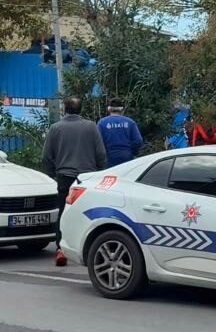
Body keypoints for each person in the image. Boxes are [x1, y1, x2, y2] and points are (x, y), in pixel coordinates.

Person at [42, 96, 107, 266]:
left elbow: (47, 156)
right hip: (87, 179)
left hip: (65, 177)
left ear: (64, 109)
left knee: (64, 213)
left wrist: (52, 174)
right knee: (90, 214)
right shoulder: (91, 127)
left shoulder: (55, 128)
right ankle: (90, 249)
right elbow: (101, 153)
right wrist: (101, 172)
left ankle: (61, 249)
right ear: (80, 109)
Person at [98, 98, 143, 166]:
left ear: (109, 109)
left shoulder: (102, 123)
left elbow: (98, 143)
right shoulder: (130, 122)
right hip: (127, 158)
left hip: (109, 159)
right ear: (122, 109)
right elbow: (138, 141)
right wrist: (133, 152)